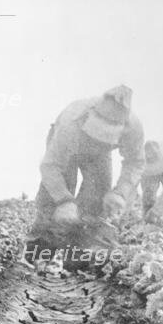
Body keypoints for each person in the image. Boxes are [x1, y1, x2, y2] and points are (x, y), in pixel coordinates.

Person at [27, 85, 145, 257]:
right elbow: (50, 166)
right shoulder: (71, 122)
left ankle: (78, 256)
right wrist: (63, 200)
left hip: (100, 155)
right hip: (68, 149)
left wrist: (120, 192)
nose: (96, 140)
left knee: (97, 201)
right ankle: (38, 253)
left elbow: (135, 162)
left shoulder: (133, 128)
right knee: (52, 199)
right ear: (89, 117)